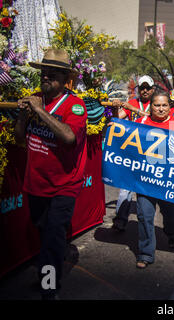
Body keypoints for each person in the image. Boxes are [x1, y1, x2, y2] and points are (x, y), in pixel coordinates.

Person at [14, 48, 87, 300]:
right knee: (44, 232)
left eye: (52, 74)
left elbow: (68, 137)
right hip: (36, 183)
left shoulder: (75, 105)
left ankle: (49, 288)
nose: (45, 78)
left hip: (63, 186)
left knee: (52, 238)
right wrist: (23, 117)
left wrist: (40, 112)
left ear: (65, 78)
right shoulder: (35, 99)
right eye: (43, 73)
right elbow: (20, 138)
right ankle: (53, 263)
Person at [134, 90, 174, 269]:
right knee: (144, 215)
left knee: (171, 215)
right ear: (151, 106)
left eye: (164, 105)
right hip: (145, 181)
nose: (161, 109)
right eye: (157, 105)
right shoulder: (141, 122)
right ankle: (145, 253)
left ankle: (172, 234)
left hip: (168, 182)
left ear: (170, 107)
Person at [111, 75, 155, 231]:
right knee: (125, 188)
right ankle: (120, 220)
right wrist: (115, 109)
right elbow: (117, 121)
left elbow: (153, 117)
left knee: (153, 193)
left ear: (152, 89)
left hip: (152, 155)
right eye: (141, 87)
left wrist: (132, 109)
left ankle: (168, 230)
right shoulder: (132, 102)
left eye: (147, 88)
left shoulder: (157, 104)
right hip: (133, 153)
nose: (144, 90)